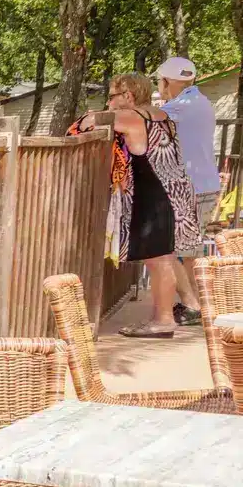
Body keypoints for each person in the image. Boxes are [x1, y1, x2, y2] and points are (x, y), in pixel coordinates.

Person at [94, 74, 202, 338]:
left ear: (128, 96)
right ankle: (160, 318)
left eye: (112, 96)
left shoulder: (132, 117)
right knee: (163, 258)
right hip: (174, 192)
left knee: (160, 260)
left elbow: (85, 124)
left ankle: (163, 321)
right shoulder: (161, 116)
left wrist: (97, 115)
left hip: (156, 195)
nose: (109, 102)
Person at [159, 55, 220, 320]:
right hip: (205, 185)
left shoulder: (180, 105)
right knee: (190, 250)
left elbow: (149, 118)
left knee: (167, 248)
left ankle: (192, 306)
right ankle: (201, 304)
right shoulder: (201, 101)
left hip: (192, 187)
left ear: (167, 81)